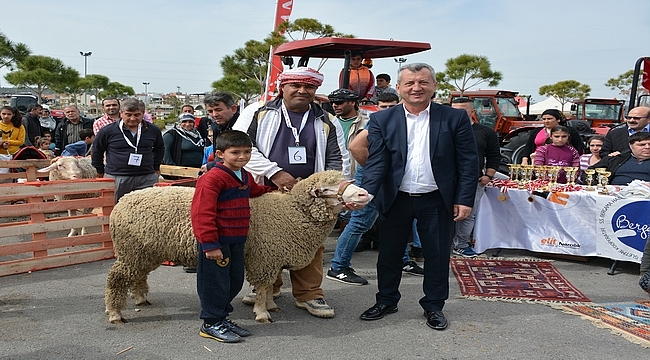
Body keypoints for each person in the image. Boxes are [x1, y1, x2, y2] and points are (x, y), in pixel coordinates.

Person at [358, 63, 478, 331]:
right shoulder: (382, 120)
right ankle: (387, 300)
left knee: (436, 256)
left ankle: (434, 306)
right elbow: (377, 162)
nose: (416, 88)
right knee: (388, 256)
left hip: (437, 199)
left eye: (423, 82)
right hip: (396, 198)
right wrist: (365, 193)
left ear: (433, 86)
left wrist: (465, 199)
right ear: (398, 88)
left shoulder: (453, 118)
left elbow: (469, 162)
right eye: (410, 83)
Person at [232, 66, 350, 319]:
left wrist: (334, 189)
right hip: (266, 187)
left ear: (316, 90)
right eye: (295, 85)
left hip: (312, 195)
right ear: (282, 87)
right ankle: (266, 288)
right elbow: (240, 146)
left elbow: (339, 158)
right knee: (265, 241)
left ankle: (310, 294)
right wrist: (274, 172)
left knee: (311, 242)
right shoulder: (257, 112)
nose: (302, 90)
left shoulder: (327, 119)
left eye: (309, 86)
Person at [327, 91, 424, 286]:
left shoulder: (404, 120)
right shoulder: (377, 122)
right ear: (377, 107)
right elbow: (355, 147)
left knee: (399, 219)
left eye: (391, 106)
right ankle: (338, 267)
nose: (387, 110)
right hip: (375, 177)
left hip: (395, 178)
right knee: (360, 222)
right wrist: (375, 170)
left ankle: (403, 260)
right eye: (383, 106)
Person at [191, 130, 274, 343]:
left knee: (234, 280)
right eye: (235, 152)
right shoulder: (213, 178)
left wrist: (271, 190)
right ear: (220, 153)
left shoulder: (243, 174)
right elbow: (202, 212)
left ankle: (222, 317)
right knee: (215, 282)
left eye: (247, 152)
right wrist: (209, 244)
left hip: (237, 239)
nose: (242, 157)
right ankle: (210, 322)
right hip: (218, 241)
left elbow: (252, 190)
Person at [451, 97, 500, 257]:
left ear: (472, 112)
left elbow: (493, 156)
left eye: (462, 111)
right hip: (445, 181)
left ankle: (461, 244)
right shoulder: (442, 130)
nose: (456, 114)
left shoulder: (485, 132)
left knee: (467, 214)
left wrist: (488, 176)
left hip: (474, 181)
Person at [91, 98, 164, 202]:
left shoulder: (153, 130)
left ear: (143, 114)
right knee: (116, 210)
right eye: (128, 114)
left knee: (147, 211)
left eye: (137, 115)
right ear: (121, 113)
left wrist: (156, 166)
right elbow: (97, 151)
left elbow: (159, 148)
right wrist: (100, 171)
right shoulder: (107, 131)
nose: (133, 118)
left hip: (146, 177)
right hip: (117, 177)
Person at [581, 132, 650, 185]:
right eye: (642, 145)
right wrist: (601, 186)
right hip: (613, 196)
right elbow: (587, 173)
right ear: (631, 146)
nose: (647, 147)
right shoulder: (616, 159)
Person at [200, 92, 240, 172]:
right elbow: (218, 152)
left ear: (233, 109)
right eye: (210, 111)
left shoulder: (242, 125)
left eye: (218, 110)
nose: (214, 114)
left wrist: (212, 165)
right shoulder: (215, 126)